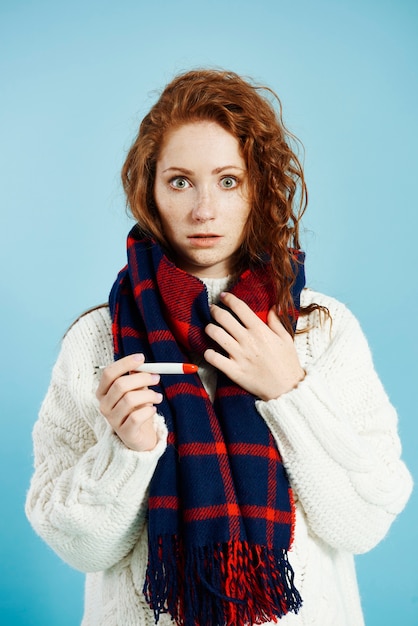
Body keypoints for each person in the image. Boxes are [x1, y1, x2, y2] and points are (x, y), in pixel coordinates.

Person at [25, 69, 412, 626]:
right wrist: (127, 450)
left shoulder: (320, 330)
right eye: (180, 181)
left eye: (228, 180)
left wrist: (289, 392)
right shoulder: (97, 339)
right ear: (150, 191)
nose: (204, 209)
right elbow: (78, 547)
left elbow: (365, 521)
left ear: (259, 186)